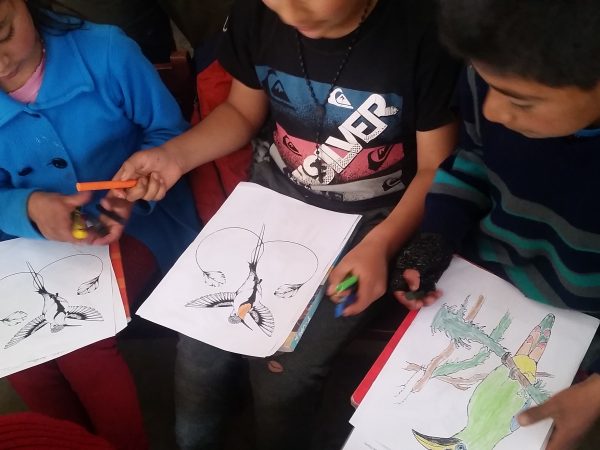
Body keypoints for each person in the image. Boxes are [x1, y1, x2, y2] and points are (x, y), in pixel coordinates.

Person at [112, 0, 460, 448]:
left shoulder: (426, 33)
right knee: (198, 346)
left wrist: (383, 244)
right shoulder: (258, 14)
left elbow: (434, 169)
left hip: (375, 219)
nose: (291, 12)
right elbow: (241, 113)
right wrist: (174, 156)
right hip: (272, 196)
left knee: (284, 372)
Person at [388, 1, 600, 449]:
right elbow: (472, 161)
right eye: (483, 82)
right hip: (484, 286)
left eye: (521, 100)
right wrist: (437, 235)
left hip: (586, 337)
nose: (493, 111)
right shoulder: (499, 67)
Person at [0, 1, 200, 448]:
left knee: (81, 344)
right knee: (21, 359)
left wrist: (135, 189)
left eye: (2, 33)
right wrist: (26, 207)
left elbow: (170, 133)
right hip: (26, 244)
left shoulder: (107, 52)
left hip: (139, 223)